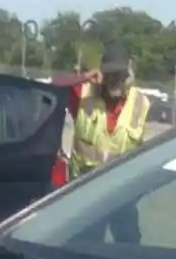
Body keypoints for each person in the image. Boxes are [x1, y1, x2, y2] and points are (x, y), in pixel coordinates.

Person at [58, 42, 151, 180]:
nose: (113, 80)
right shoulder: (83, 95)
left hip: (118, 187)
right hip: (81, 185)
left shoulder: (140, 103)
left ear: (128, 76)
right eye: (109, 74)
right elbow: (52, 86)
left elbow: (143, 151)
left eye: (118, 74)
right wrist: (85, 76)